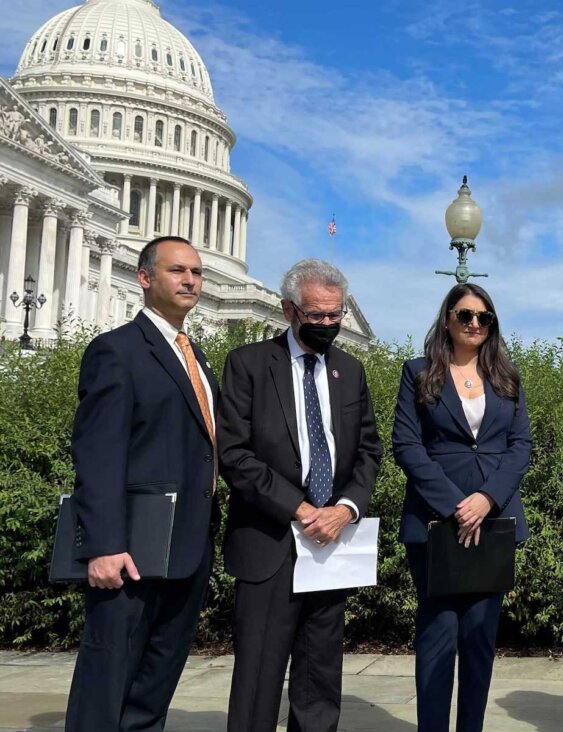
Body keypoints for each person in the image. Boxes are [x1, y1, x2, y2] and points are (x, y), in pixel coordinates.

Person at [218, 258, 382, 731]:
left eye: (336, 316)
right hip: (269, 539)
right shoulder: (248, 364)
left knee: (320, 675)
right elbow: (235, 454)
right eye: (317, 316)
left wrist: (345, 509)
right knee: (258, 677)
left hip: (331, 544)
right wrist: (301, 507)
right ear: (289, 309)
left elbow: (369, 450)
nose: (328, 325)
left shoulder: (349, 371)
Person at [63, 236, 218, 731]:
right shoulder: (117, 351)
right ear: (145, 278)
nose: (190, 280)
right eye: (177, 271)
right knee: (108, 681)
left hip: (186, 547)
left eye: (196, 271)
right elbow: (98, 453)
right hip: (131, 550)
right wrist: (104, 545)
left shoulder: (197, 359)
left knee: (155, 682)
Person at [392, 283, 532, 732]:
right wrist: (456, 504)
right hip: (436, 523)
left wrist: (486, 499)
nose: (474, 324)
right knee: (437, 637)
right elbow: (407, 445)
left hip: (494, 523)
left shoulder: (507, 378)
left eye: (483, 318)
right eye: (465, 315)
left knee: (479, 640)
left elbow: (520, 445)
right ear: (448, 319)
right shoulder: (418, 373)